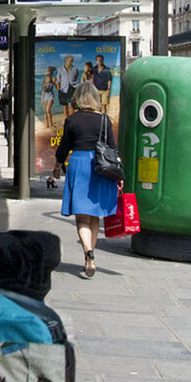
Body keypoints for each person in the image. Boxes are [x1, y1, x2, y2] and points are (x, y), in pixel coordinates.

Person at [54, 82, 120, 279]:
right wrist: (118, 176)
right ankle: (90, 256)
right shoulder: (104, 120)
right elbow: (112, 148)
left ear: (77, 99)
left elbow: (64, 147)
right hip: (100, 166)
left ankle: (87, 252)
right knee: (94, 215)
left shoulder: (72, 120)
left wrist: (58, 166)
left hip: (79, 164)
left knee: (81, 216)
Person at [56, 55, 78, 120]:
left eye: (72, 61)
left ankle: (72, 120)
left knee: (72, 106)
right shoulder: (60, 69)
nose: (72, 62)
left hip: (72, 89)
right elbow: (58, 80)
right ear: (66, 60)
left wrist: (76, 88)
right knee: (65, 107)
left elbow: (77, 79)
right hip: (63, 89)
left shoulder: (75, 69)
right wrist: (58, 90)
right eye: (70, 61)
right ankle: (67, 120)